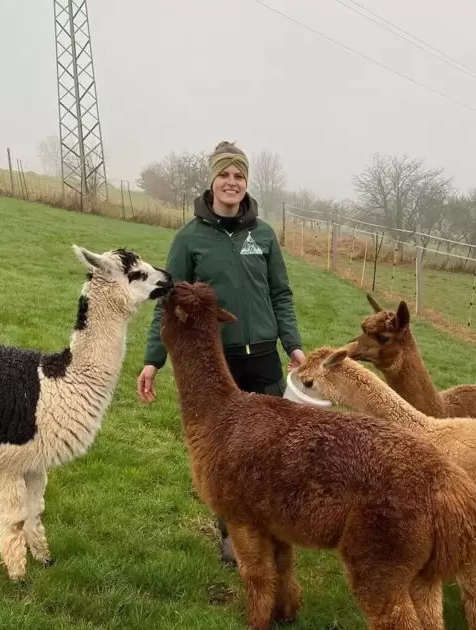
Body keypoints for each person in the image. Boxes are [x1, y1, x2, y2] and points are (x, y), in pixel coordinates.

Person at [137, 140, 305, 567]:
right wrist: (153, 360)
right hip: (217, 362)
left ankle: (270, 529)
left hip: (263, 355)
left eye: (239, 176)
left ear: (246, 183)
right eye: (224, 175)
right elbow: (168, 304)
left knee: (271, 449)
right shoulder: (189, 238)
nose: (231, 183)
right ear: (212, 181)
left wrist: (294, 345)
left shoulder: (263, 235)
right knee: (224, 455)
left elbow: (281, 294)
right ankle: (231, 535)